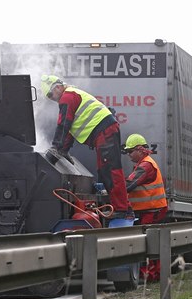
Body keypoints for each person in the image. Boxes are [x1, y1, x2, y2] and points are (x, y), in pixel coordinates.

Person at [41, 75, 132, 219]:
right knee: (106, 170)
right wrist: (63, 150)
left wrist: (56, 148)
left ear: (57, 87)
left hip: (104, 131)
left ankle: (122, 210)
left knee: (110, 170)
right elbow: (70, 129)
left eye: (51, 94)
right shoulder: (73, 94)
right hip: (106, 130)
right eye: (49, 97)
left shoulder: (67, 97)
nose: (52, 98)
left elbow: (63, 123)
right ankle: (124, 208)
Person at [124, 133, 168, 224]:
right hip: (150, 210)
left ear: (140, 150)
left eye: (130, 151)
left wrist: (111, 189)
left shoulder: (146, 166)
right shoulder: (143, 164)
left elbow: (128, 185)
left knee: (147, 236)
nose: (128, 154)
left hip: (152, 211)